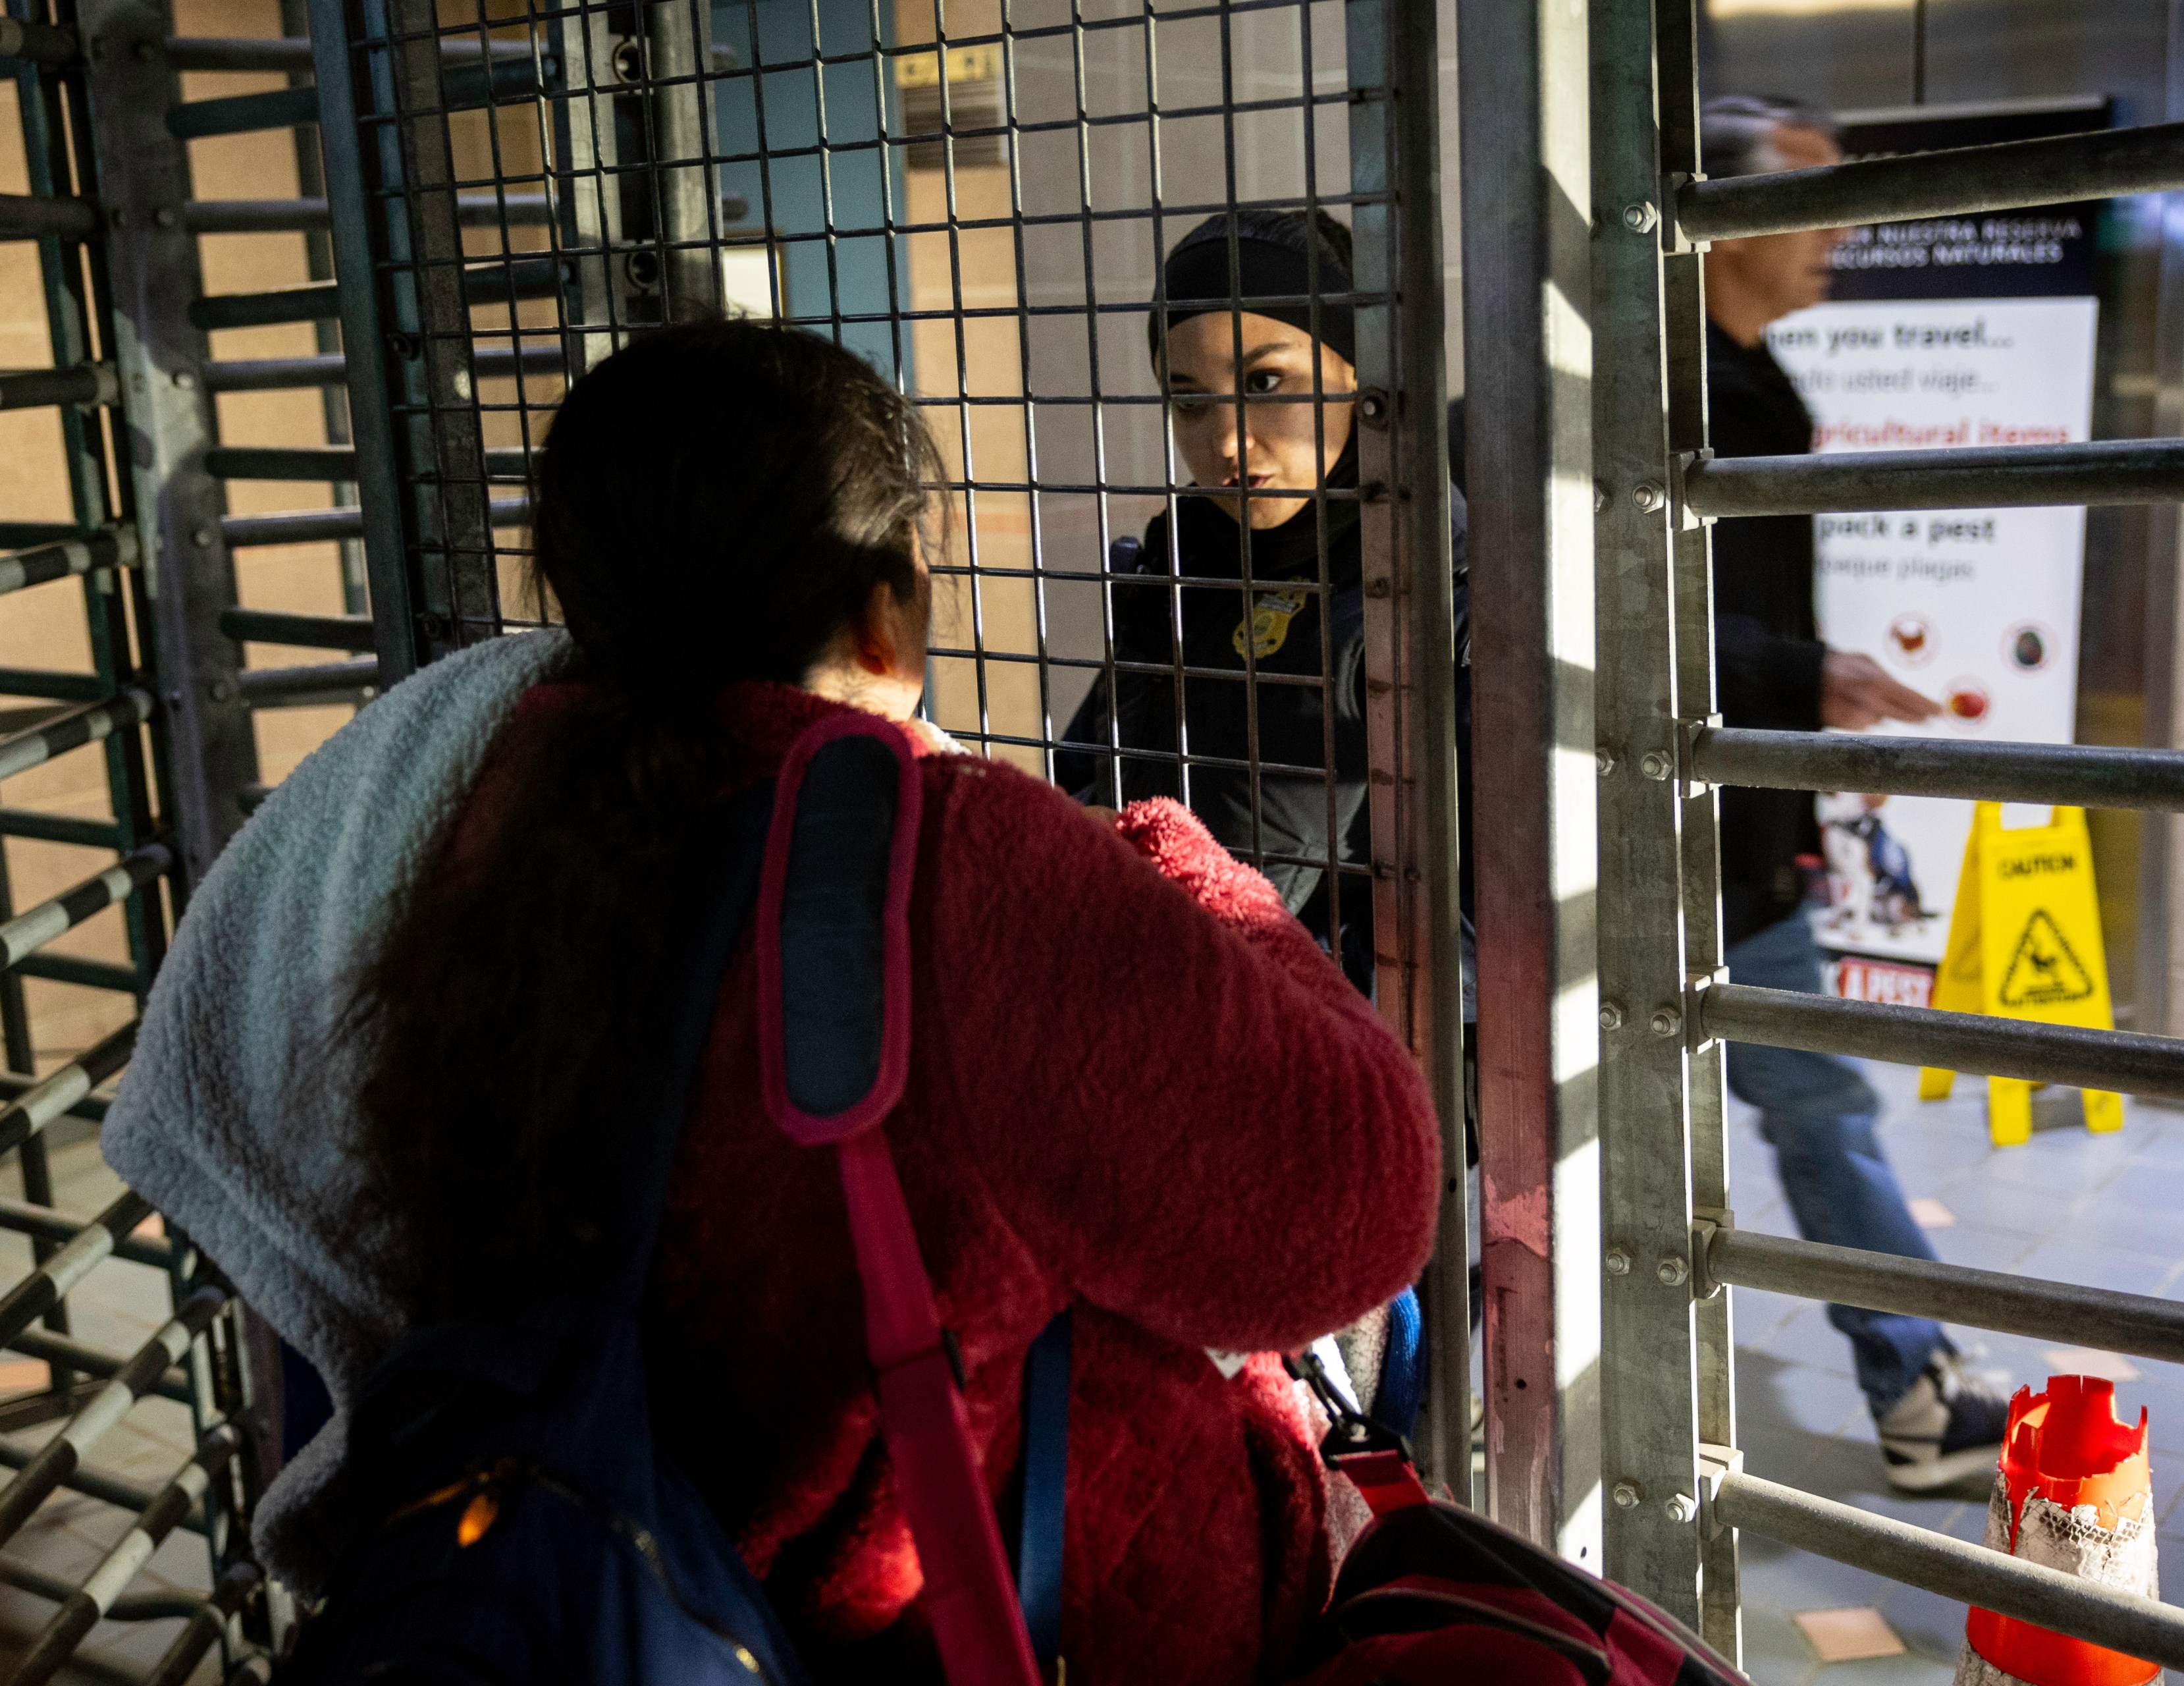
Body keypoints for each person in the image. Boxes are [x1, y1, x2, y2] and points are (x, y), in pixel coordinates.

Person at [103, 321, 1441, 1683]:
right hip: (1007, 1626)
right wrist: (1172, 860)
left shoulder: (473, 816)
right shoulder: (944, 864)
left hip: (625, 1585)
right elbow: (1357, 1209)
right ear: (886, 601)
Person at [1700, 94, 2010, 1491]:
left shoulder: (1755, 382)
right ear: (1717, 225)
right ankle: (1911, 1382)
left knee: (1811, 1100)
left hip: (1748, 821)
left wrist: (1806, 735)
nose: (1837, 232)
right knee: (1815, 1100)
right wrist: (1800, 677)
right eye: (1806, 202)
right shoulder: (1669, 391)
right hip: (1667, 836)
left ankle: (1911, 1372)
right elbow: (1614, 623)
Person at [1057, 209, 1471, 1002]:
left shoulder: (1442, 593)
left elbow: (1497, 923)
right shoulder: (1175, 567)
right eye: (1189, 402)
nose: (1225, 442)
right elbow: (1088, 773)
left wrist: (1276, 990)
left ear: (1361, 373)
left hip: (1337, 1068)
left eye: (1264, 383)